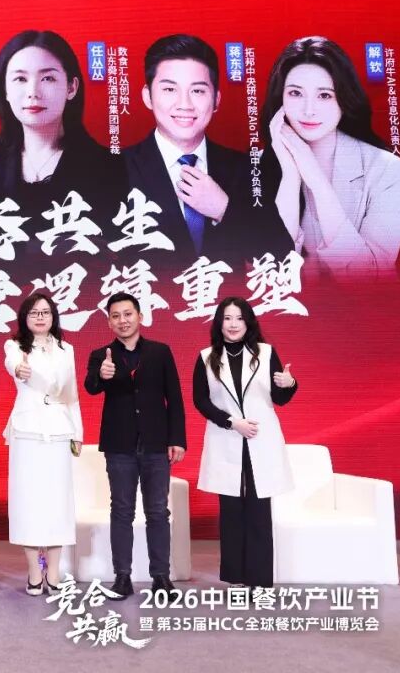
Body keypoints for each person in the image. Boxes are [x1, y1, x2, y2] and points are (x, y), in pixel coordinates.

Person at [125, 34, 290, 267]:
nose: (184, 104)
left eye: (198, 91)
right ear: (147, 96)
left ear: (216, 100)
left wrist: (224, 209)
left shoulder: (246, 170)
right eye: (170, 89)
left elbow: (283, 257)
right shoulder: (114, 169)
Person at [260, 36, 400, 279]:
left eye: (325, 95)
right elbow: (268, 275)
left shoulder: (385, 169)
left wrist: (317, 182)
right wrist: (290, 176)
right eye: (295, 93)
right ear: (280, 98)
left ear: (343, 98)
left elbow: (371, 278)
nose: (309, 110)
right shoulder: (256, 167)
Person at [0, 30, 126, 238]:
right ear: (5, 90)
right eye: (20, 79)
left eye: (47, 78)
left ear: (71, 88)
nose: (33, 92)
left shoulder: (111, 167)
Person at [83, 292, 186, 598]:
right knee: (121, 510)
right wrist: (101, 375)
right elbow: (90, 387)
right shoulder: (101, 355)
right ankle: (122, 577)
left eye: (127, 314)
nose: (122, 321)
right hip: (120, 445)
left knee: (158, 512)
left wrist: (177, 439)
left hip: (156, 443)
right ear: (109, 322)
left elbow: (174, 398)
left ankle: (161, 577)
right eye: (115, 316)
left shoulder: (160, 352)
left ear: (140, 316)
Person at [194, 296, 297, 589]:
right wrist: (231, 422)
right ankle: (236, 579)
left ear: (248, 322)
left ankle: (260, 581)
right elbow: (200, 400)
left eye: (239, 318)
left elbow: (280, 398)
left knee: (259, 513)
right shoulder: (206, 357)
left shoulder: (265, 353)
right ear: (219, 323)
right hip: (227, 439)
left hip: (260, 441)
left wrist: (289, 384)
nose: (233, 324)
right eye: (227, 318)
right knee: (231, 513)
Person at [3, 293, 83, 595]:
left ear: (53, 317)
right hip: (27, 432)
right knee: (28, 502)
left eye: (45, 312)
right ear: (25, 317)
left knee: (57, 502)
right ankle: (34, 571)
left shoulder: (66, 349)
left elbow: (71, 393)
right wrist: (19, 370)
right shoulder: (15, 346)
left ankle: (55, 572)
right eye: (34, 312)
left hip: (59, 430)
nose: (40, 317)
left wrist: (77, 432)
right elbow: (14, 365)